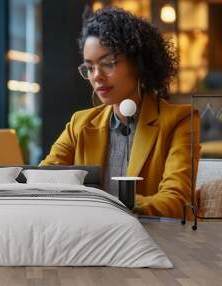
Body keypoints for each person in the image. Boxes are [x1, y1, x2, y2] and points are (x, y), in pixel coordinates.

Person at [40, 7, 201, 219]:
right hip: (88, 237)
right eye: (89, 68)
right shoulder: (80, 124)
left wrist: (109, 204)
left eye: (108, 64)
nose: (96, 76)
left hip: (152, 241)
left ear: (139, 64)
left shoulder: (180, 121)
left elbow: (177, 200)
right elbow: (42, 181)